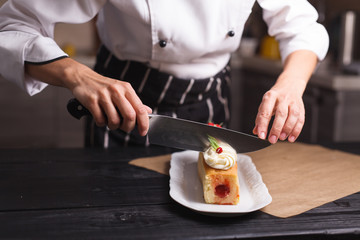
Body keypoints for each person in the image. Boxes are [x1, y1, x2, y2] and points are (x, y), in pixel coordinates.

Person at [0, 0, 329, 148]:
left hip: (210, 101)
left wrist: (291, 83)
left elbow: (301, 25)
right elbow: (13, 27)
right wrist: (76, 74)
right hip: (126, 104)